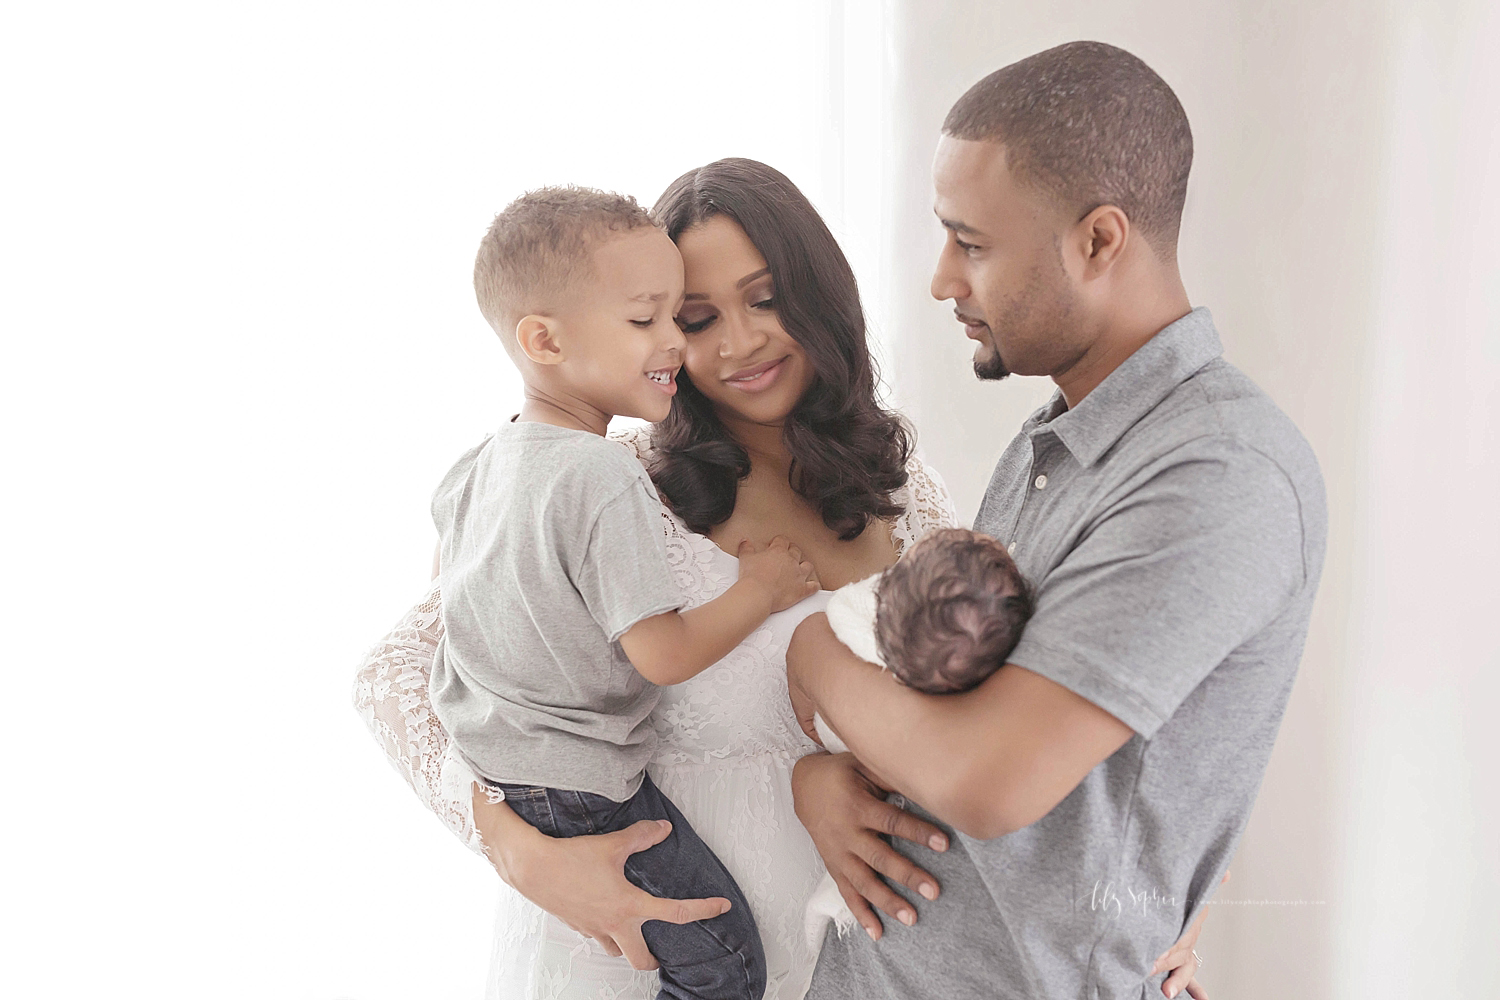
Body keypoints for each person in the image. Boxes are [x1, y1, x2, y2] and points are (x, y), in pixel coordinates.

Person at [352, 157, 1211, 1000]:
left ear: (816, 295)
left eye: (765, 299)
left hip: (850, 952)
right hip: (648, 948)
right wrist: (521, 852)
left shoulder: (896, 483)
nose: (739, 342)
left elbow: (1002, 706)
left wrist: (1153, 904)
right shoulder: (601, 484)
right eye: (693, 317)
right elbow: (393, 676)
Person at [786, 41, 1326, 1000]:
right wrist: (824, 781)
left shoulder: (1217, 470)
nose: (943, 279)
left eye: (973, 243)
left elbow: (987, 779)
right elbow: (950, 730)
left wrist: (813, 657)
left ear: (1098, 241)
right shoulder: (1058, 438)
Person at [429, 185, 825, 1000]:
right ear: (542, 339)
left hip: (508, 773)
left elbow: (464, 620)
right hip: (583, 786)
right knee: (725, 962)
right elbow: (663, 653)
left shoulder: (476, 468)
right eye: (649, 320)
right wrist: (762, 586)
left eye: (680, 318)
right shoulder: (602, 473)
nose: (675, 342)